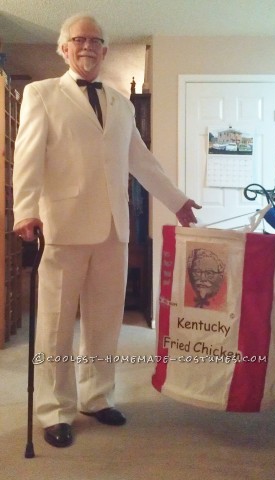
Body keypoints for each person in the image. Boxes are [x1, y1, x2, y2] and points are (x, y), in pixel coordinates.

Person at [13, 13, 201, 448]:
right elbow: (27, 158)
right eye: (79, 39)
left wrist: (177, 199)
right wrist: (25, 210)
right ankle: (54, 409)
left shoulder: (121, 103)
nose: (88, 47)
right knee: (56, 326)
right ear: (64, 48)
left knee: (104, 324)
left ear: (105, 50)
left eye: (96, 40)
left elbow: (141, 160)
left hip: (114, 231)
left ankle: (97, 397)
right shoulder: (41, 94)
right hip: (61, 228)